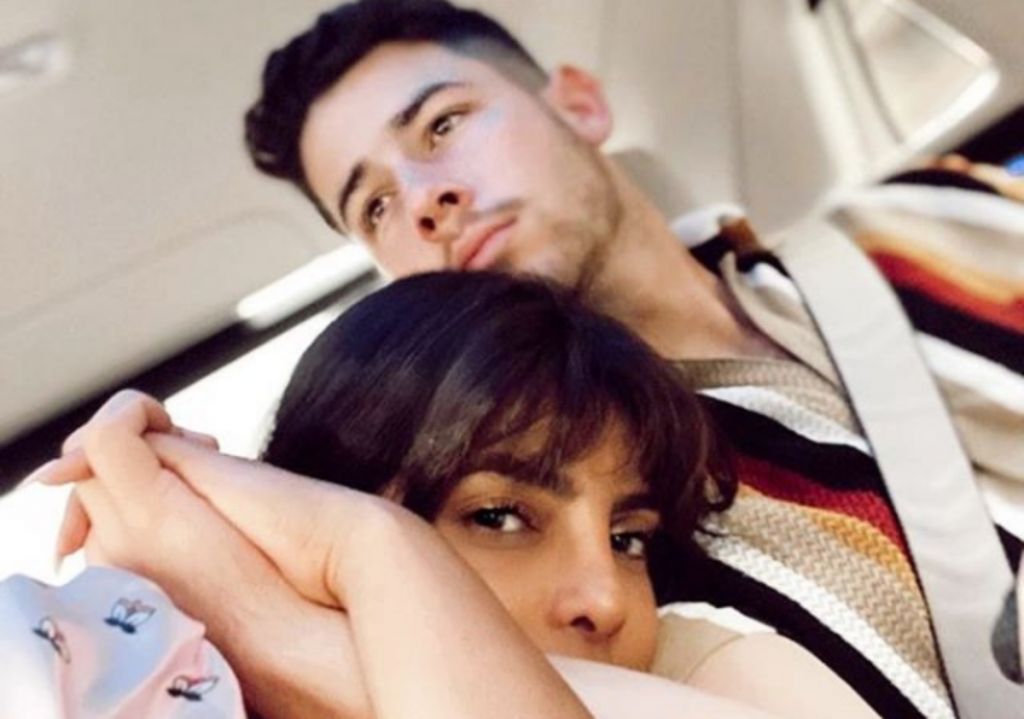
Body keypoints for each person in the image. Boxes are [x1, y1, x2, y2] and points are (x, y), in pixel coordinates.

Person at [41, 0, 1023, 716]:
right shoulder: (526, 565)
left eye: (442, 125)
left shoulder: (934, 225)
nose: (424, 199)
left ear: (580, 105)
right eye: (374, 206)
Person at [37, 270, 882, 718]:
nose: (604, 598)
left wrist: (274, 620)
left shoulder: (695, 660)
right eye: (499, 516)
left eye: (628, 538)